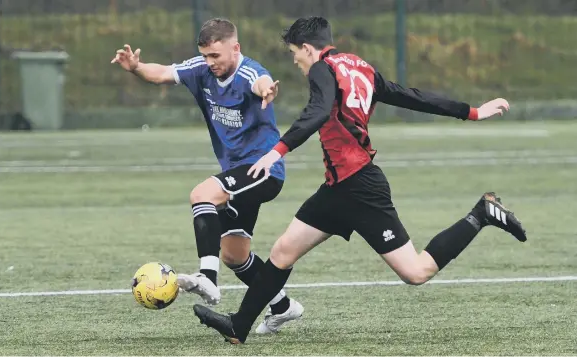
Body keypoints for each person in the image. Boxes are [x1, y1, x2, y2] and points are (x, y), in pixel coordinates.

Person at [192, 16, 527, 344]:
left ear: (308, 48)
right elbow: (411, 96)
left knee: (416, 272)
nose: (295, 61)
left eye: (295, 53)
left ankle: (481, 214)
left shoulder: (323, 68)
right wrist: (472, 111)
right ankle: (239, 326)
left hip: (360, 187)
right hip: (338, 188)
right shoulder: (359, 66)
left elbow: (319, 110)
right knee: (283, 251)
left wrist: (276, 151)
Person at [111, 18, 303, 334]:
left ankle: (207, 279)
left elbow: (262, 81)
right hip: (237, 174)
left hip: (263, 170)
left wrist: (267, 90)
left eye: (216, 55)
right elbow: (161, 74)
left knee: (202, 194)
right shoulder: (201, 69)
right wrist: (135, 67)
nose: (210, 62)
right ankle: (282, 306)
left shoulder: (248, 72)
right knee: (235, 255)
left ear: (235, 48)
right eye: (206, 56)